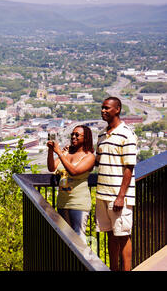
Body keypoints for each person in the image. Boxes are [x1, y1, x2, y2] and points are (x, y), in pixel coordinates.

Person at [95, 97, 137, 271]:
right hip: (102, 193)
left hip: (118, 196)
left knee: (123, 236)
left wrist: (121, 196)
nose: (103, 111)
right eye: (102, 108)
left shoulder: (127, 134)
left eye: (107, 108)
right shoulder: (101, 135)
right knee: (110, 235)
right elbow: (97, 161)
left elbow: (129, 167)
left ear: (117, 109)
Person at [47, 125, 96, 243]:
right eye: (72, 134)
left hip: (79, 202)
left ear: (86, 138)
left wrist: (59, 152)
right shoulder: (67, 153)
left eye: (77, 135)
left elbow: (74, 172)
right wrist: (50, 150)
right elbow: (51, 167)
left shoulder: (89, 157)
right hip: (63, 202)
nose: (73, 137)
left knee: (78, 237)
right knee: (65, 238)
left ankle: (81, 261)